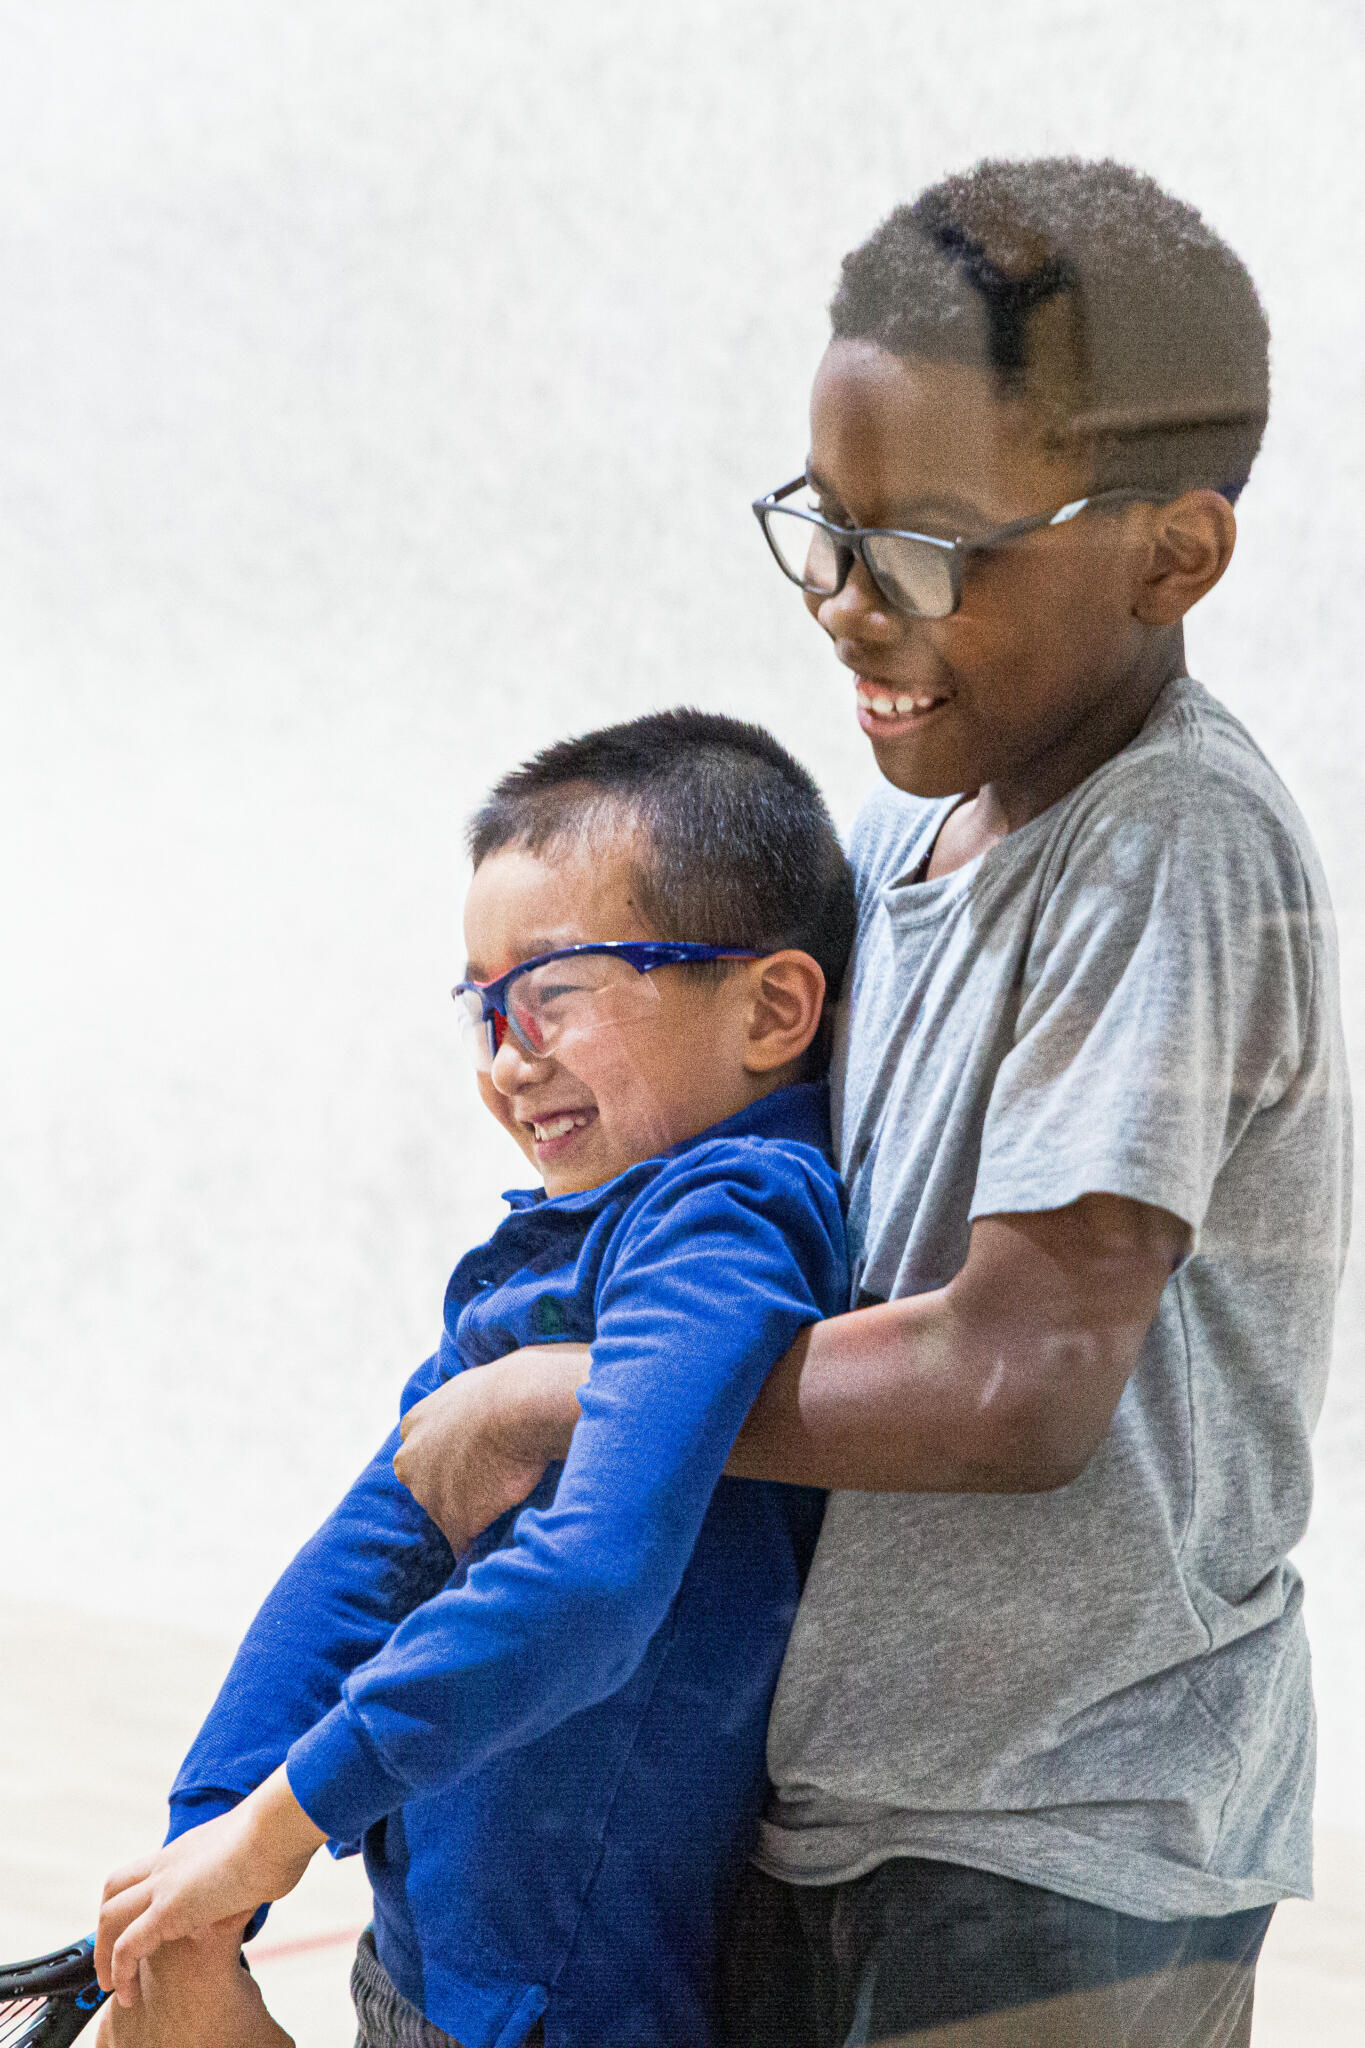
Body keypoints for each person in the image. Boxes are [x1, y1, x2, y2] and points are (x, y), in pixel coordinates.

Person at [394, 159, 1351, 2046]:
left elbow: (1013, 1388)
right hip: (841, 1802)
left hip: (1066, 1839)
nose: (845, 609)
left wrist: (553, 1406)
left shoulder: (1169, 844)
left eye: (921, 549)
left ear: (1170, 552)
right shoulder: (905, 825)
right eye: (817, 533)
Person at [94, 709, 855, 2048]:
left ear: (772, 1006)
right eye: (484, 1003)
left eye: (555, 991)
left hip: (568, 2011)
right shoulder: (572, 1231)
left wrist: (275, 1832)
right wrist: (202, 1855)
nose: (507, 1057)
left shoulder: (726, 1213)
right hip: (432, 1962)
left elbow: (591, 1584)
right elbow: (379, 1535)